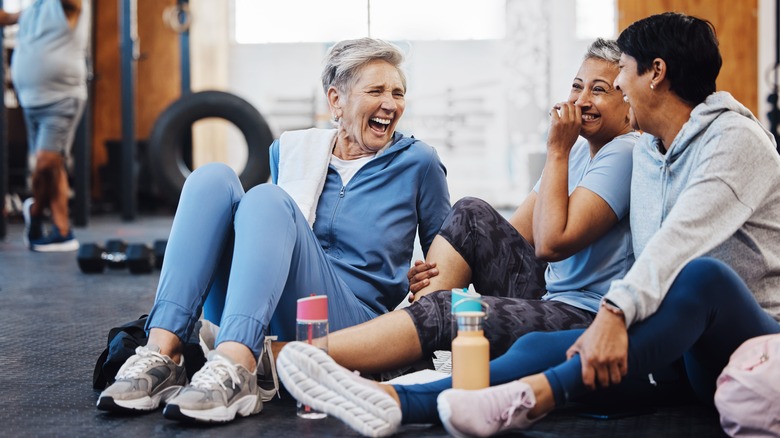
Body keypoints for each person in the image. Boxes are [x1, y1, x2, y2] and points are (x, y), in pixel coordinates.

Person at [276, 13, 780, 438]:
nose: (617, 88)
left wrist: (613, 314)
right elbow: (520, 237)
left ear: (656, 73)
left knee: (702, 275)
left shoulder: (735, 142)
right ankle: (394, 398)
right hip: (673, 343)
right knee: (534, 343)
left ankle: (516, 390)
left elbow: (676, 244)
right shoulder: (652, 147)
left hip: (745, 339)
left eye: (619, 74)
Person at [96, 37, 451, 424]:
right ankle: (163, 355)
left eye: (398, 93)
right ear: (336, 100)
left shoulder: (419, 162)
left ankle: (236, 366)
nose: (391, 104)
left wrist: (425, 281)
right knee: (211, 178)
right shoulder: (291, 151)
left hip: (354, 323)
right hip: (270, 308)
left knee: (267, 199)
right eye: (377, 91)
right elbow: (281, 242)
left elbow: (449, 260)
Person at [319, 38, 637, 376]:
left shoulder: (624, 151)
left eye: (599, 90)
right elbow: (509, 241)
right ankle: (412, 339)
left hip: (586, 314)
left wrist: (556, 149)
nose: (581, 100)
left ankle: (312, 357)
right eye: (577, 87)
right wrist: (437, 273)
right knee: (470, 213)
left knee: (451, 311)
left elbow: (550, 243)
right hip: (549, 295)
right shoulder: (576, 151)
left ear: (628, 103)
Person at [9, 0, 89, 252]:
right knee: (53, 167)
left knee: (45, 163)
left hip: (61, 99)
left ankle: (34, 210)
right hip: (31, 100)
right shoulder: (32, 9)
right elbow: (8, 16)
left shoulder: (68, 5)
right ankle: (62, 231)